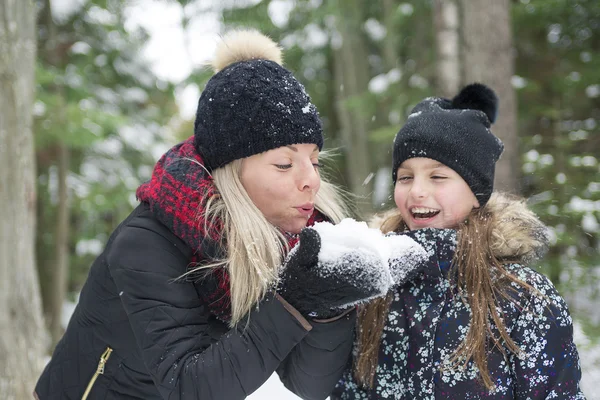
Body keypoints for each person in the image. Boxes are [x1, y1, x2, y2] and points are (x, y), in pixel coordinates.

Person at [34, 29, 426, 400]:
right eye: (284, 165)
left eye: (314, 161)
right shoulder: (147, 246)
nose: (311, 181)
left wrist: (326, 306)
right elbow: (189, 387)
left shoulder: (291, 235)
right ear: (231, 172)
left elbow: (307, 384)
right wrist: (291, 303)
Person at [331, 83, 586, 399]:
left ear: (476, 192)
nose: (417, 191)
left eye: (437, 177)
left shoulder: (523, 298)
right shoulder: (375, 287)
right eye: (406, 176)